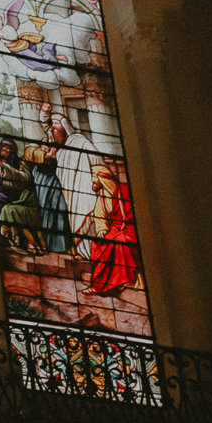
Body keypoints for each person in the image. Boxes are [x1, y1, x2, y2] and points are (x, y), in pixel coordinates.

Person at [39, 103, 100, 258]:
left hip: (85, 187)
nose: (52, 131)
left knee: (85, 214)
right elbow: (47, 129)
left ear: (65, 128)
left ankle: (92, 252)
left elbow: (96, 160)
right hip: (68, 189)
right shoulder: (60, 147)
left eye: (55, 126)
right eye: (51, 127)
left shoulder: (80, 142)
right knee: (74, 219)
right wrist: (45, 114)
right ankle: (82, 251)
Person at [88, 159, 143, 295]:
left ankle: (127, 279)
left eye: (94, 179)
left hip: (130, 228)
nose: (92, 182)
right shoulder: (102, 196)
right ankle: (99, 284)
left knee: (121, 240)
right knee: (99, 244)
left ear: (102, 180)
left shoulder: (124, 190)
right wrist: (101, 229)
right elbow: (99, 214)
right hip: (115, 229)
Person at [0, 138, 46, 253]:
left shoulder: (17, 163)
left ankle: (2, 242)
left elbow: (19, 180)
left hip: (9, 197)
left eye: (10, 148)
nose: (6, 149)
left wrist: (3, 168)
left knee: (2, 210)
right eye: (5, 146)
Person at [23, 142, 72, 253]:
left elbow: (52, 169)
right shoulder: (36, 165)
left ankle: (62, 246)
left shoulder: (52, 162)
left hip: (55, 192)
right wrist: (48, 156)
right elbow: (29, 154)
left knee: (60, 214)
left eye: (46, 149)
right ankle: (51, 245)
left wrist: (52, 158)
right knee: (47, 217)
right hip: (43, 195)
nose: (44, 151)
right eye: (43, 149)